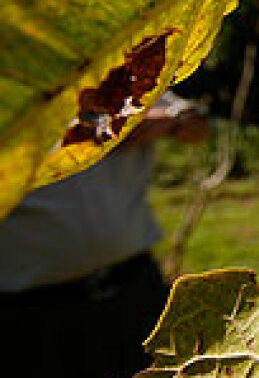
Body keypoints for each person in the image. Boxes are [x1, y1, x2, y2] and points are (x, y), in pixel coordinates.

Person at [0, 91, 208, 378]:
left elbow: (197, 124)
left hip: (136, 290)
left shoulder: (106, 69)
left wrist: (171, 120)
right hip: (33, 312)